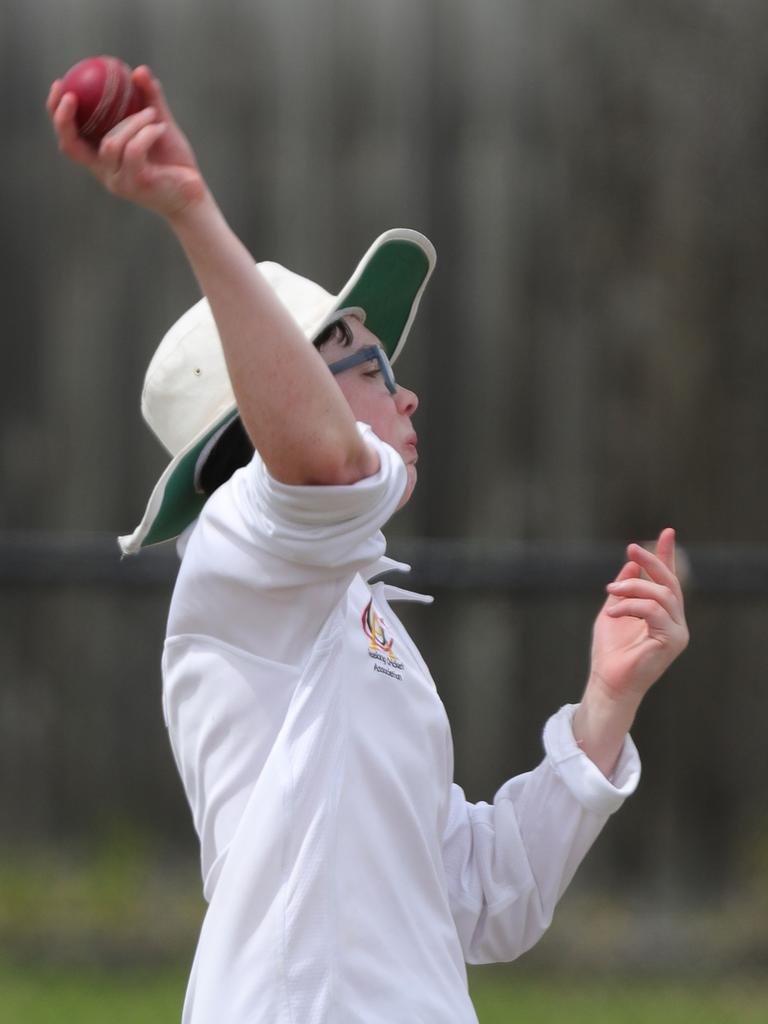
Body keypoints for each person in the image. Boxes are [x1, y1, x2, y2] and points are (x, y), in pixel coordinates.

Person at [47, 65, 689, 1023]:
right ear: (264, 413)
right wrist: (190, 211)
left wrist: (606, 703)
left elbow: (482, 901)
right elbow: (321, 465)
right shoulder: (240, 552)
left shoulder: (355, 615)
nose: (407, 391)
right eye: (371, 362)